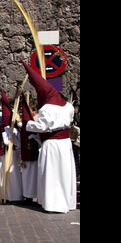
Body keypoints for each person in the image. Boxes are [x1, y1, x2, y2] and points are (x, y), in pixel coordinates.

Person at [21, 63, 78, 213]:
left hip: (52, 144)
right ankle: (67, 201)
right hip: (65, 144)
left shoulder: (46, 109)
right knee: (64, 172)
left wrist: (28, 125)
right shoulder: (68, 106)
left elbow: (42, 127)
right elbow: (69, 122)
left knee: (52, 173)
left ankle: (53, 203)